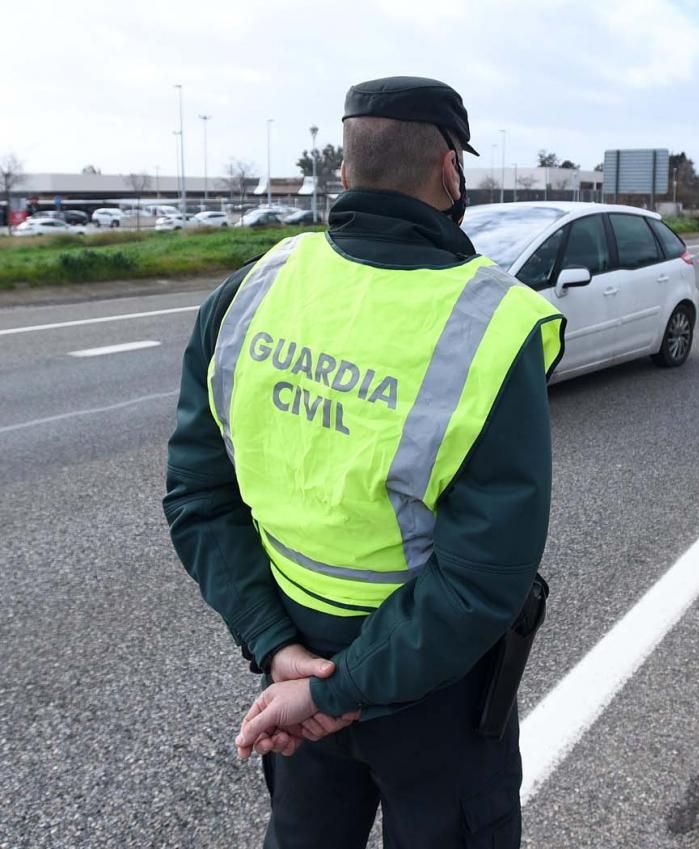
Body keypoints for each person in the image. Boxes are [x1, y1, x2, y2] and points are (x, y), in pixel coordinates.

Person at [163, 76, 565, 849]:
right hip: (433, 693)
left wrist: (286, 656)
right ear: (451, 171)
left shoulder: (253, 290)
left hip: (290, 671)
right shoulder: (490, 321)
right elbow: (483, 576)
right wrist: (340, 685)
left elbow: (197, 498)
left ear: (344, 172)